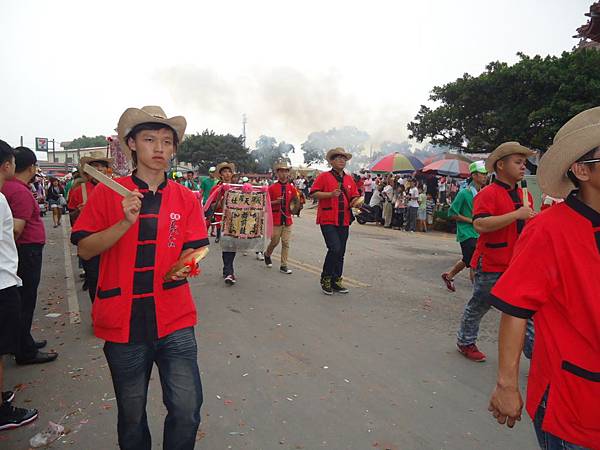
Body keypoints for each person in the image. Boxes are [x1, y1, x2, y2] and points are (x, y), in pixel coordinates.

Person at [71, 105, 207, 450]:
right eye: (150, 139)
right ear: (131, 144)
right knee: (131, 416)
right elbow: (85, 250)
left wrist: (186, 265)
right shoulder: (108, 193)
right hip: (123, 321)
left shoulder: (184, 198)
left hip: (174, 318)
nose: (160, 148)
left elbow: (195, 250)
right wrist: (124, 222)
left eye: (166, 141)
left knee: (188, 408)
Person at [488, 107, 600, 450]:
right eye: (516, 161)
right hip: (574, 402)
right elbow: (516, 310)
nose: (521, 166)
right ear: (581, 170)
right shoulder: (549, 229)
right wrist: (507, 384)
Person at [456, 142, 535, 362]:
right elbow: (480, 225)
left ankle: (536, 356)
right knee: (480, 305)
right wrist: (517, 215)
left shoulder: (524, 195)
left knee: (525, 311)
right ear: (501, 165)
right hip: (492, 262)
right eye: (518, 162)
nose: (523, 167)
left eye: (524, 163)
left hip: (518, 264)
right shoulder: (487, 194)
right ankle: (465, 341)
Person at [1, 146, 57, 365]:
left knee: (23, 300)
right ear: (32, 166)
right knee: (25, 300)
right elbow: (16, 229)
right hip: (27, 251)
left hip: (23, 251)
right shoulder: (19, 191)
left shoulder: (9, 188)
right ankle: (24, 349)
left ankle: (24, 341)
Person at [0, 140, 39, 430]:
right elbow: (17, 229)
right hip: (10, 271)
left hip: (13, 266)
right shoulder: (14, 192)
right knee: (22, 307)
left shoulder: (7, 191)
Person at [310, 147, 360, 295]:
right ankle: (326, 278)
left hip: (343, 220)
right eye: (338, 158)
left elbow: (354, 196)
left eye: (344, 158)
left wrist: (357, 202)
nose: (341, 160)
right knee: (334, 248)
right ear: (331, 161)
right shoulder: (324, 177)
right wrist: (330, 194)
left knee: (341, 251)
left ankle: (336, 280)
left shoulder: (349, 178)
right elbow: (313, 194)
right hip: (327, 219)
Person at [68, 156, 113, 302]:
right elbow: (71, 218)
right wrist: (79, 213)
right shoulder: (78, 191)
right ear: (87, 171)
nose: (99, 170)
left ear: (107, 170)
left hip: (112, 242)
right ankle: (98, 314)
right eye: (94, 166)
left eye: (102, 166)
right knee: (94, 281)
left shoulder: (116, 188)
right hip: (91, 244)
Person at [441, 161, 488, 292]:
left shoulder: (483, 193)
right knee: (475, 264)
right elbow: (452, 213)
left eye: (486, 174)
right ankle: (477, 294)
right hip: (466, 233)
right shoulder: (463, 193)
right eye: (482, 173)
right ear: (474, 175)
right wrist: (470, 221)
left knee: (468, 260)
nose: (485, 176)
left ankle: (449, 276)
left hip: (478, 232)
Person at [264, 160, 298, 274]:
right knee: (274, 242)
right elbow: (265, 203)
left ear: (288, 173)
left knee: (286, 242)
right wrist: (275, 202)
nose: (284, 174)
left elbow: (296, 202)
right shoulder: (272, 188)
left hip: (287, 219)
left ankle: (284, 265)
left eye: (286, 171)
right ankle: (267, 254)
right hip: (276, 219)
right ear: (277, 173)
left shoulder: (292, 188)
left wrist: (296, 207)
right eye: (281, 171)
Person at [207, 162, 238, 285]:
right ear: (220, 175)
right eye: (224, 172)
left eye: (229, 171)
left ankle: (227, 270)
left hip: (235, 220)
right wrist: (222, 199)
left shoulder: (236, 187)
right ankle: (229, 271)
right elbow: (213, 206)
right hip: (222, 220)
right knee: (227, 246)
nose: (227, 174)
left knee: (232, 246)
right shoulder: (216, 189)